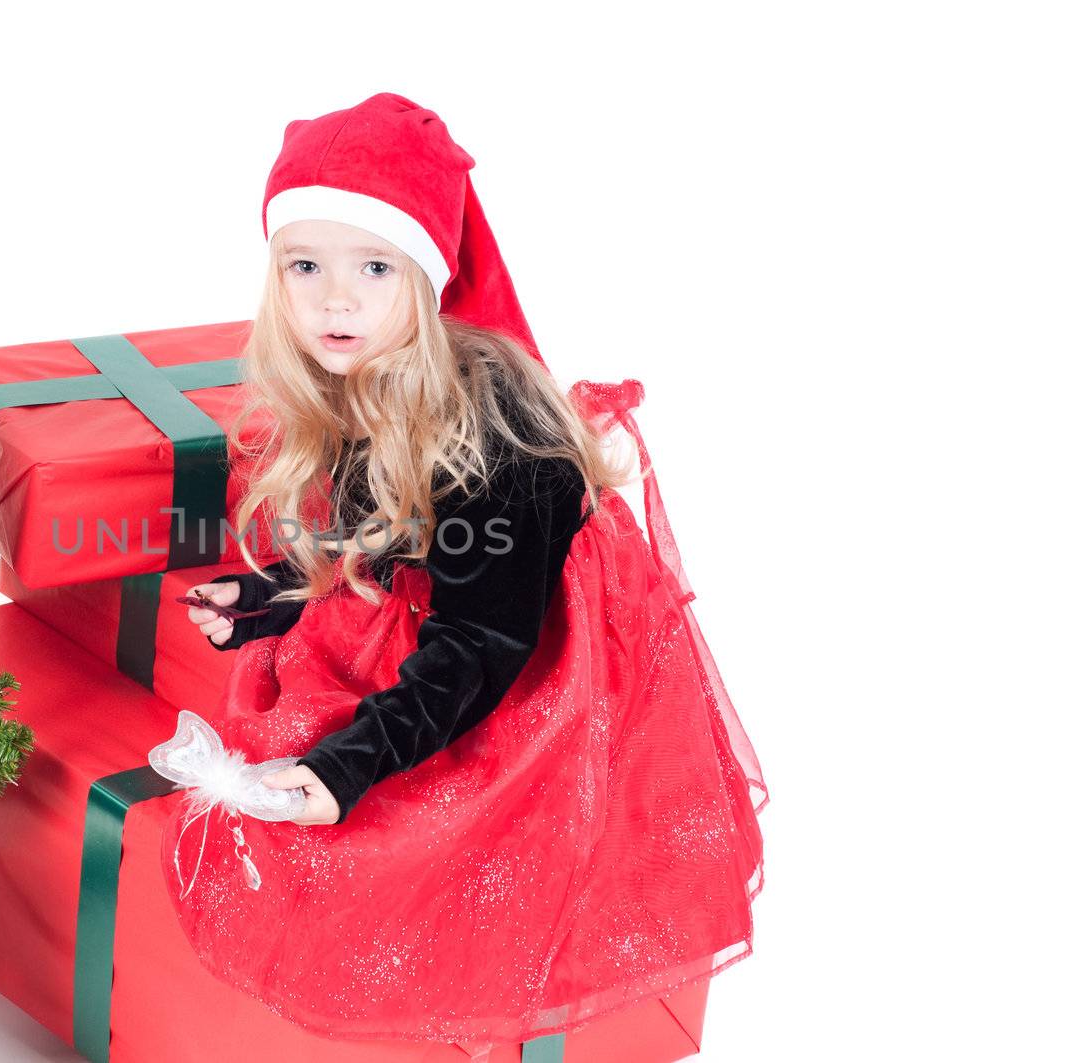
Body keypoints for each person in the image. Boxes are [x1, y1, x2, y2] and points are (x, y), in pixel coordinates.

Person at [169, 92, 767, 1046]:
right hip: (455, 610)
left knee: (387, 841)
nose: (334, 298)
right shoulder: (360, 371)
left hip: (526, 672)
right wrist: (272, 598)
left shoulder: (496, 427)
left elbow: (482, 639)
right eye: (305, 265)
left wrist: (348, 765)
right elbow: (388, 542)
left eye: (373, 266)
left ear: (426, 274)